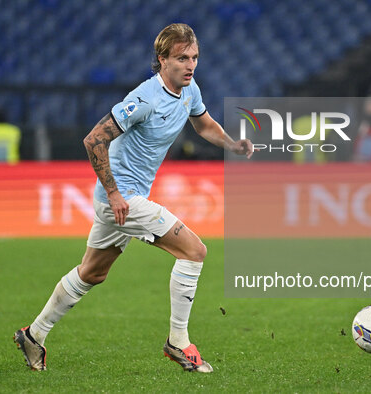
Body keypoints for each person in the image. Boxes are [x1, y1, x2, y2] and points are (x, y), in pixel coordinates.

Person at [14, 23, 253, 373]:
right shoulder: (144, 99)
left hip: (127, 200)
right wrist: (113, 193)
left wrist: (231, 144)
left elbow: (202, 124)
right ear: (162, 60)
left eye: (195, 57)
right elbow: (94, 139)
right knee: (195, 251)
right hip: (121, 200)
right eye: (182, 58)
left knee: (92, 273)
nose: (190, 65)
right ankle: (178, 341)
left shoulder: (189, 90)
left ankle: (34, 335)